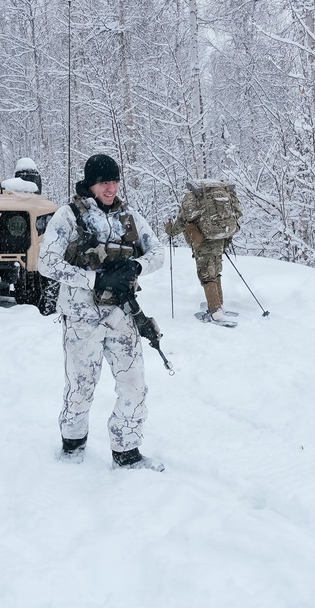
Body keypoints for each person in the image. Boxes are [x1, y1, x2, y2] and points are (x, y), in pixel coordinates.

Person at [38, 153, 166, 470]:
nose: (110, 188)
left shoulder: (128, 216)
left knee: (134, 385)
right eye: (103, 183)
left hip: (122, 314)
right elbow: (46, 263)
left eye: (114, 181)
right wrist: (93, 279)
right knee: (80, 388)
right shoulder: (68, 216)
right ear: (90, 184)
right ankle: (72, 446)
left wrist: (136, 266)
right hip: (81, 317)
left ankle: (127, 452)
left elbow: (157, 252)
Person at [164, 180, 242, 322]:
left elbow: (183, 220)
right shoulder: (223, 194)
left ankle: (215, 312)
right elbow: (238, 213)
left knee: (206, 274)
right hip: (221, 237)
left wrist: (170, 230)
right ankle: (218, 304)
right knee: (216, 270)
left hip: (204, 240)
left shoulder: (193, 198)